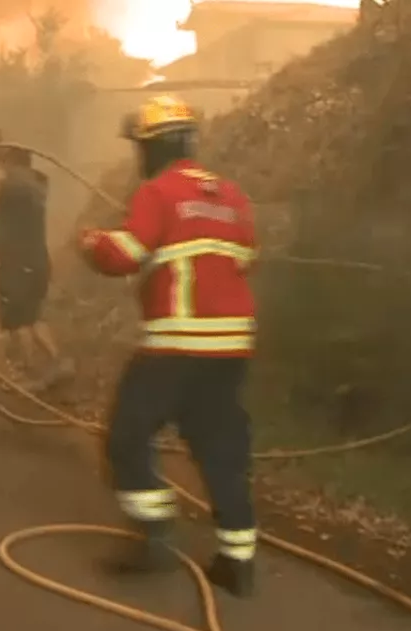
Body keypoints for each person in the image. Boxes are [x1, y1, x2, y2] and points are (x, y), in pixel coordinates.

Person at [77, 96, 259, 597]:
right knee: (220, 448)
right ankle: (237, 560)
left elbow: (126, 255)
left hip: (176, 346)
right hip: (231, 348)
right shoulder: (232, 196)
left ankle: (155, 538)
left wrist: (93, 243)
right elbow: (244, 258)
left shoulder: (157, 192)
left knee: (127, 438)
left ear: (153, 148)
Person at [0, 133, 72, 390]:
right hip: (36, 262)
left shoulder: (15, 184)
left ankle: (27, 376)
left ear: (10, 163)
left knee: (18, 323)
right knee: (33, 318)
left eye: (3, 162)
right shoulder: (36, 182)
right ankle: (59, 363)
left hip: (17, 266)